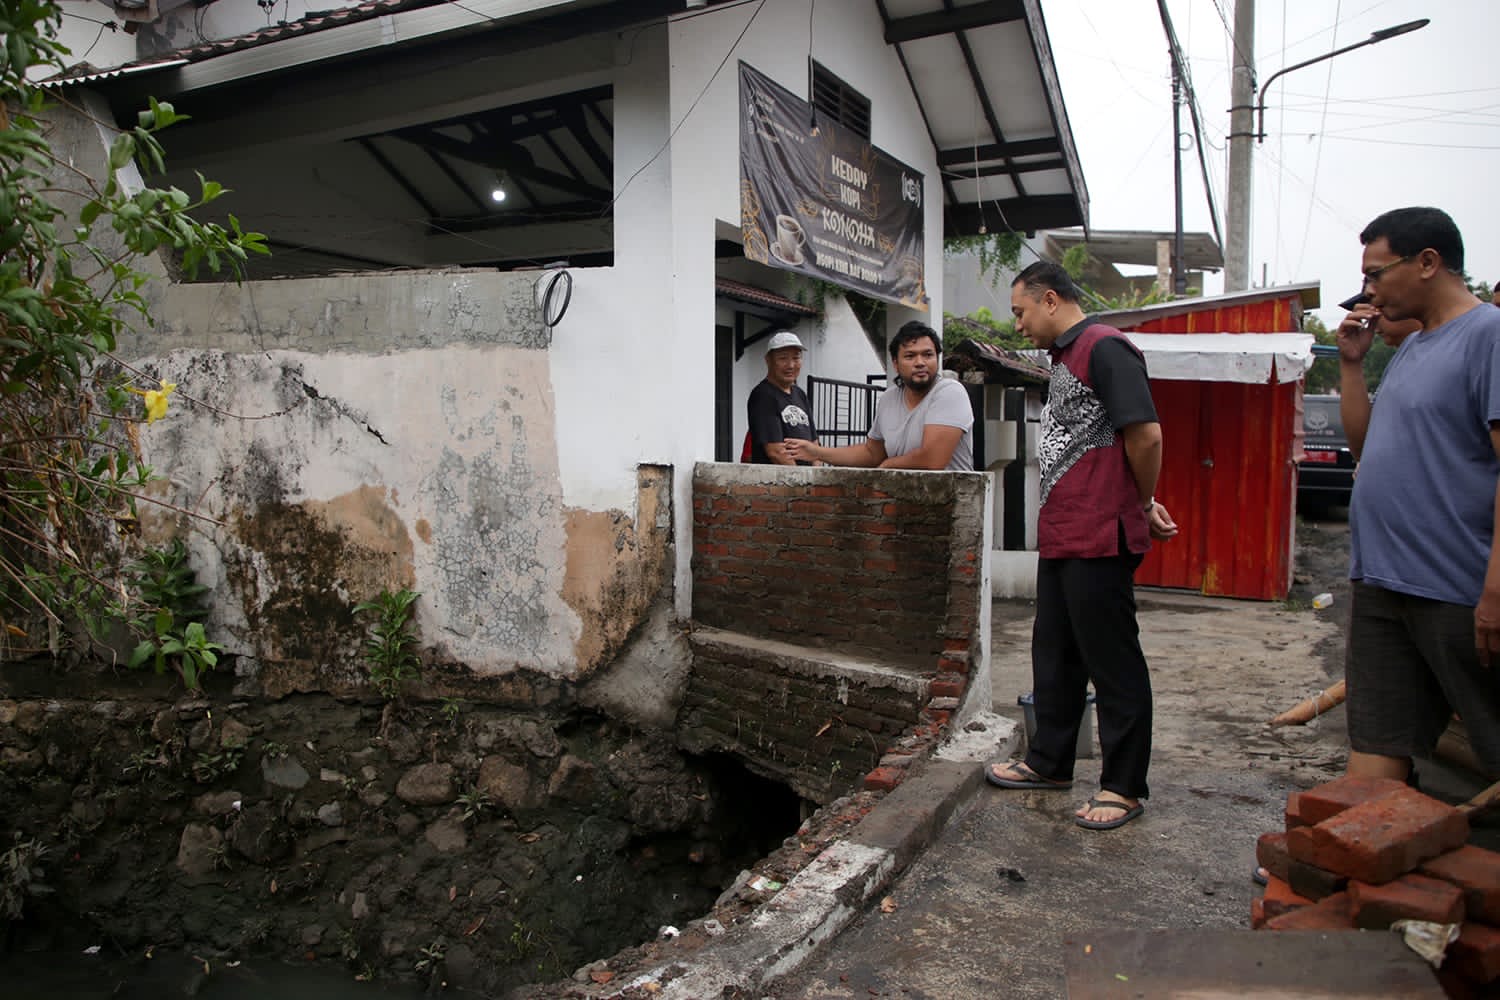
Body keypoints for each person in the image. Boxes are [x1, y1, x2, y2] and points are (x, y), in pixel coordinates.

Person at [985, 260, 1178, 832]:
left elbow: (1146, 433)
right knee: (1056, 654)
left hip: (1100, 533)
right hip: (1066, 532)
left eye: (1020, 311)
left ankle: (1123, 786)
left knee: (1111, 660)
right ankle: (1050, 762)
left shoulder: (1105, 347)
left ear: (1049, 300)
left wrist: (1140, 503)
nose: (1017, 324)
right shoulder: (1065, 357)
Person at [1335, 206, 1500, 784]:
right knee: (1378, 747)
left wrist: (1495, 589)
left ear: (1429, 262)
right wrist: (1353, 367)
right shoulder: (1412, 347)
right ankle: (1357, 863)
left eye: (1378, 273)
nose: (1370, 290)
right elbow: (1367, 449)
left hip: (1455, 587)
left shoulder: (1489, 336)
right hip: (1382, 580)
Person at [782, 321, 973, 471]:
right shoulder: (889, 398)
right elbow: (872, 453)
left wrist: (888, 466)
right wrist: (817, 452)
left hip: (952, 509)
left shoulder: (949, 392)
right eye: (910, 356)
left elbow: (933, 459)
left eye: (928, 355)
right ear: (896, 364)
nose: (920, 362)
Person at [1333, 292, 1421, 460]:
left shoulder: (1461, 345)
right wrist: (1351, 362)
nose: (1372, 321)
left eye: (1378, 307)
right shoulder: (1401, 360)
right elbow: (1364, 449)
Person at [747, 331, 817, 465]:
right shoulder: (763, 395)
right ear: (768, 360)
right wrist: (802, 483)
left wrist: (816, 479)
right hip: (778, 483)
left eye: (796, 358)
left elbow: (814, 445)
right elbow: (776, 453)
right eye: (783, 358)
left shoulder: (800, 394)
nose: (790, 365)